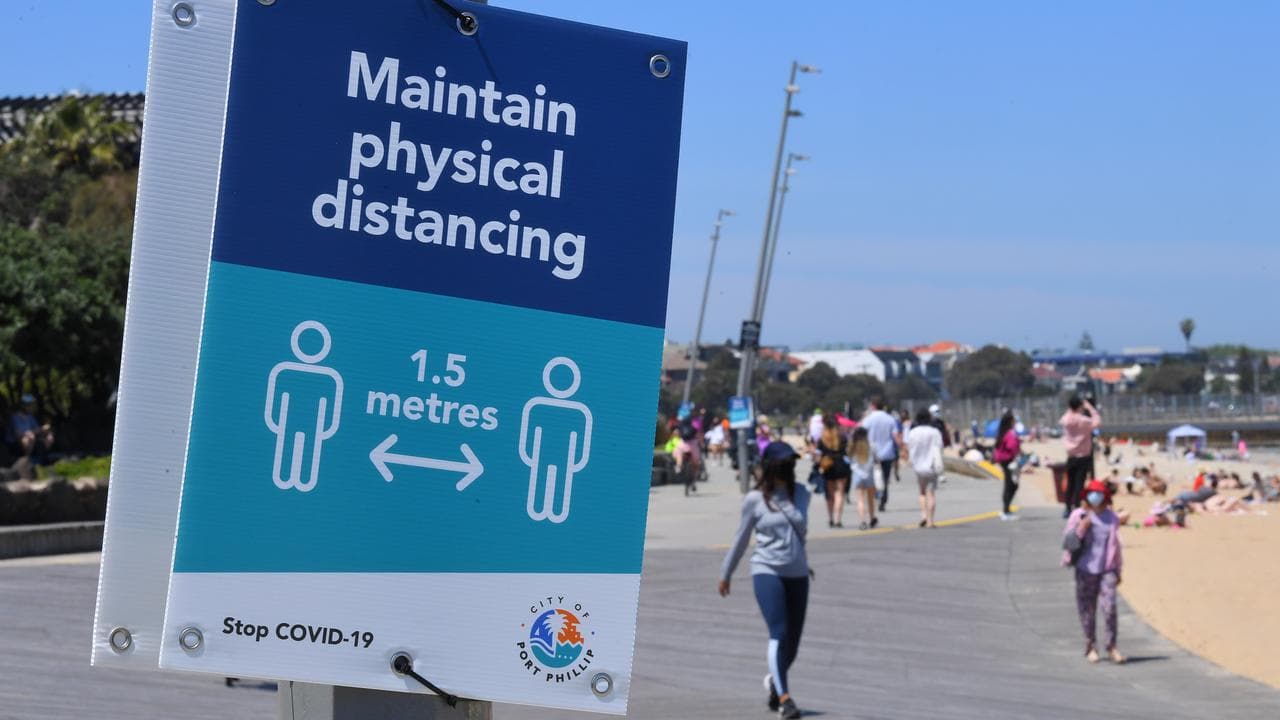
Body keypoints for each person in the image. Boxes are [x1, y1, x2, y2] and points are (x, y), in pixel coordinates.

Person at [719, 441, 811, 719]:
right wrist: (726, 573)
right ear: (770, 466)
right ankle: (785, 699)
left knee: (792, 645)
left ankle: (774, 681)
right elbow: (741, 539)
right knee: (779, 633)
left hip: (798, 573)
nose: (789, 467)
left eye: (791, 463)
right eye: (783, 463)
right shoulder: (755, 500)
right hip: (766, 570)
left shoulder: (803, 494)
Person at [1062, 479, 1126, 665]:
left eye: (1099, 493)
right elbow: (1068, 541)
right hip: (1084, 569)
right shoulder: (1078, 514)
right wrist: (1083, 527)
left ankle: (1111, 646)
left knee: (1110, 608)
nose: (1095, 496)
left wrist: (1118, 569)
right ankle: (1091, 646)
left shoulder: (1112, 517)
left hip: (1107, 570)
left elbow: (1116, 546)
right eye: (1092, 493)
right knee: (1087, 610)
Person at [1059, 396, 1101, 518]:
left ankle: (1067, 508)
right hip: (1083, 456)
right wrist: (1090, 408)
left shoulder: (1066, 419)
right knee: (1079, 484)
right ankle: (1077, 507)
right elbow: (1097, 421)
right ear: (1080, 406)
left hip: (1071, 456)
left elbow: (1064, 418)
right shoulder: (1084, 421)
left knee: (1070, 484)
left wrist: (1071, 409)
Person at [904, 408, 944, 528]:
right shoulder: (934, 432)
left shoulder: (913, 432)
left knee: (922, 492)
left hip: (918, 465)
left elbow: (908, 446)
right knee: (931, 493)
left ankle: (923, 515)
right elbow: (940, 446)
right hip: (931, 465)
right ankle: (931, 521)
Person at [861, 397, 899, 512]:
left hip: (872, 452)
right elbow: (896, 436)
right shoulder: (890, 419)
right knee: (885, 478)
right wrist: (901, 448)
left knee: (873, 478)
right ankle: (884, 499)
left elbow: (862, 434)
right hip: (887, 452)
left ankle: (876, 496)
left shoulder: (868, 419)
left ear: (873, 406)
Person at [814, 415, 851, 528]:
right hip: (841, 465)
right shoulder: (842, 437)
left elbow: (818, 455)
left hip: (828, 465)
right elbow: (848, 452)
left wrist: (817, 465)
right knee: (840, 493)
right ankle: (837, 519)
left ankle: (830, 518)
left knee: (830, 494)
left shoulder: (822, 439)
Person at [6, 393, 55, 465]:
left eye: (32, 405)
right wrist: (38, 430)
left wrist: (45, 431)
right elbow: (19, 434)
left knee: (49, 436)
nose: (32, 407)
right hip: (14, 443)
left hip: (30, 441)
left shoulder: (30, 417)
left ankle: (44, 460)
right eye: (30, 405)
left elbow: (37, 430)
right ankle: (26, 462)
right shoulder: (14, 418)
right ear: (24, 405)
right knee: (30, 437)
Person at [991, 409, 1020, 519]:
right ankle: (1006, 510)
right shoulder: (1010, 433)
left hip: (1003, 461)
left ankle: (1006, 509)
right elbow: (1012, 447)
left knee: (1009, 484)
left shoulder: (1002, 432)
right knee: (1012, 485)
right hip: (1009, 461)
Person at [848, 427, 878, 530]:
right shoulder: (871, 445)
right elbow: (877, 459)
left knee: (860, 499)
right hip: (869, 474)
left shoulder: (852, 446)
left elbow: (849, 459)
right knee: (870, 499)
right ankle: (872, 518)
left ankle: (862, 521)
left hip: (857, 475)